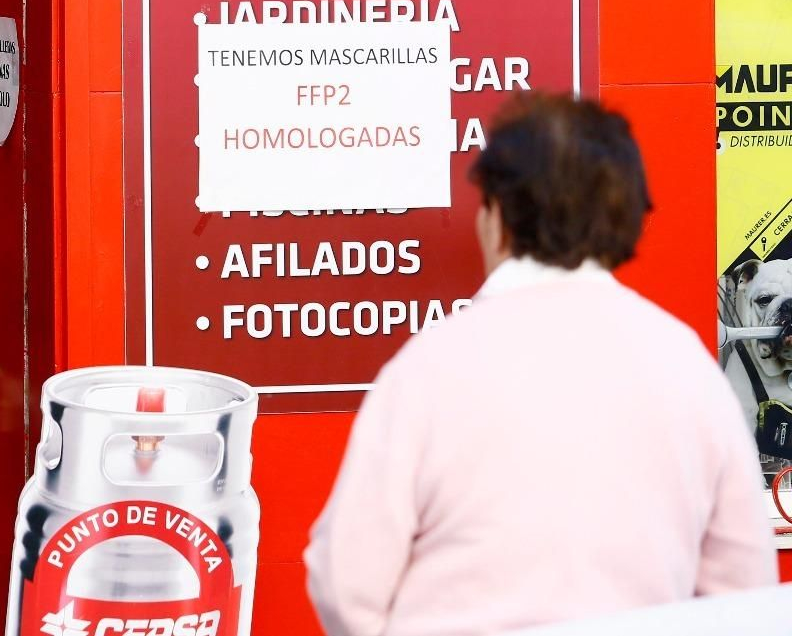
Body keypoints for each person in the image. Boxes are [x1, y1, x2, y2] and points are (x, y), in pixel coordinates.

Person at [305, 94, 776, 636]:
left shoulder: (429, 367)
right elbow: (743, 591)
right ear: (625, 222)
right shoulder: (688, 367)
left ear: (497, 217)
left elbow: (346, 580)